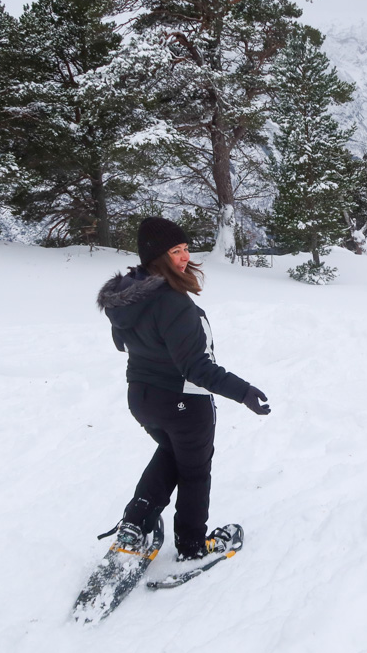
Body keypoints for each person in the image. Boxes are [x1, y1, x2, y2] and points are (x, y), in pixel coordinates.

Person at [96, 216, 270, 560]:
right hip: (184, 403)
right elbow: (195, 367)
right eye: (175, 250)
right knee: (194, 471)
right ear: (156, 256)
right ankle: (192, 545)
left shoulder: (125, 297)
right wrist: (244, 391)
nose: (185, 256)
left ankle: (135, 523)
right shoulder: (172, 301)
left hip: (142, 399)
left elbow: (122, 343)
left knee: (172, 455)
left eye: (187, 248)